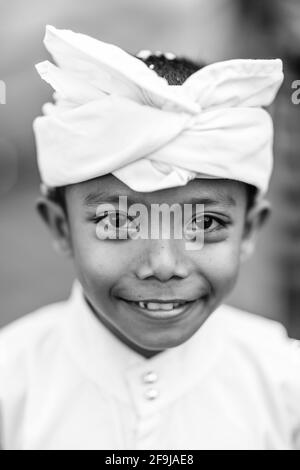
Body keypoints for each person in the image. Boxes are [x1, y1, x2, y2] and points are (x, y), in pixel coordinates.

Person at [0, 25, 299, 450]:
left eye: (205, 223)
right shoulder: (10, 387)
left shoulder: (286, 389)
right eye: (119, 223)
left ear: (249, 229)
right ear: (61, 227)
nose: (164, 265)